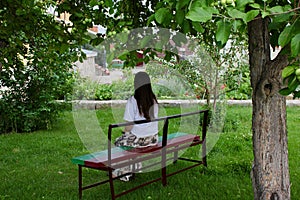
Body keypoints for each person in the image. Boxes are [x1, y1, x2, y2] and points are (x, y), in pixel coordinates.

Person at [113, 71, 159, 181]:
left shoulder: (133, 101)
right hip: (153, 139)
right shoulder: (153, 100)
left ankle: (123, 173)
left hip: (139, 140)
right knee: (129, 143)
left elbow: (129, 126)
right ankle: (135, 167)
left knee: (119, 142)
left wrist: (125, 133)